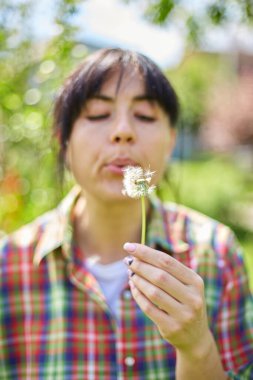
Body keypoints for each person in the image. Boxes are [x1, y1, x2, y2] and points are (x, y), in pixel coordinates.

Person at [0, 48, 252, 380]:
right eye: (98, 113)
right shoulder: (9, 267)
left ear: (171, 141)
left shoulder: (216, 253)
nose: (123, 131)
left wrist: (197, 348)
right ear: (63, 139)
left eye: (145, 116)